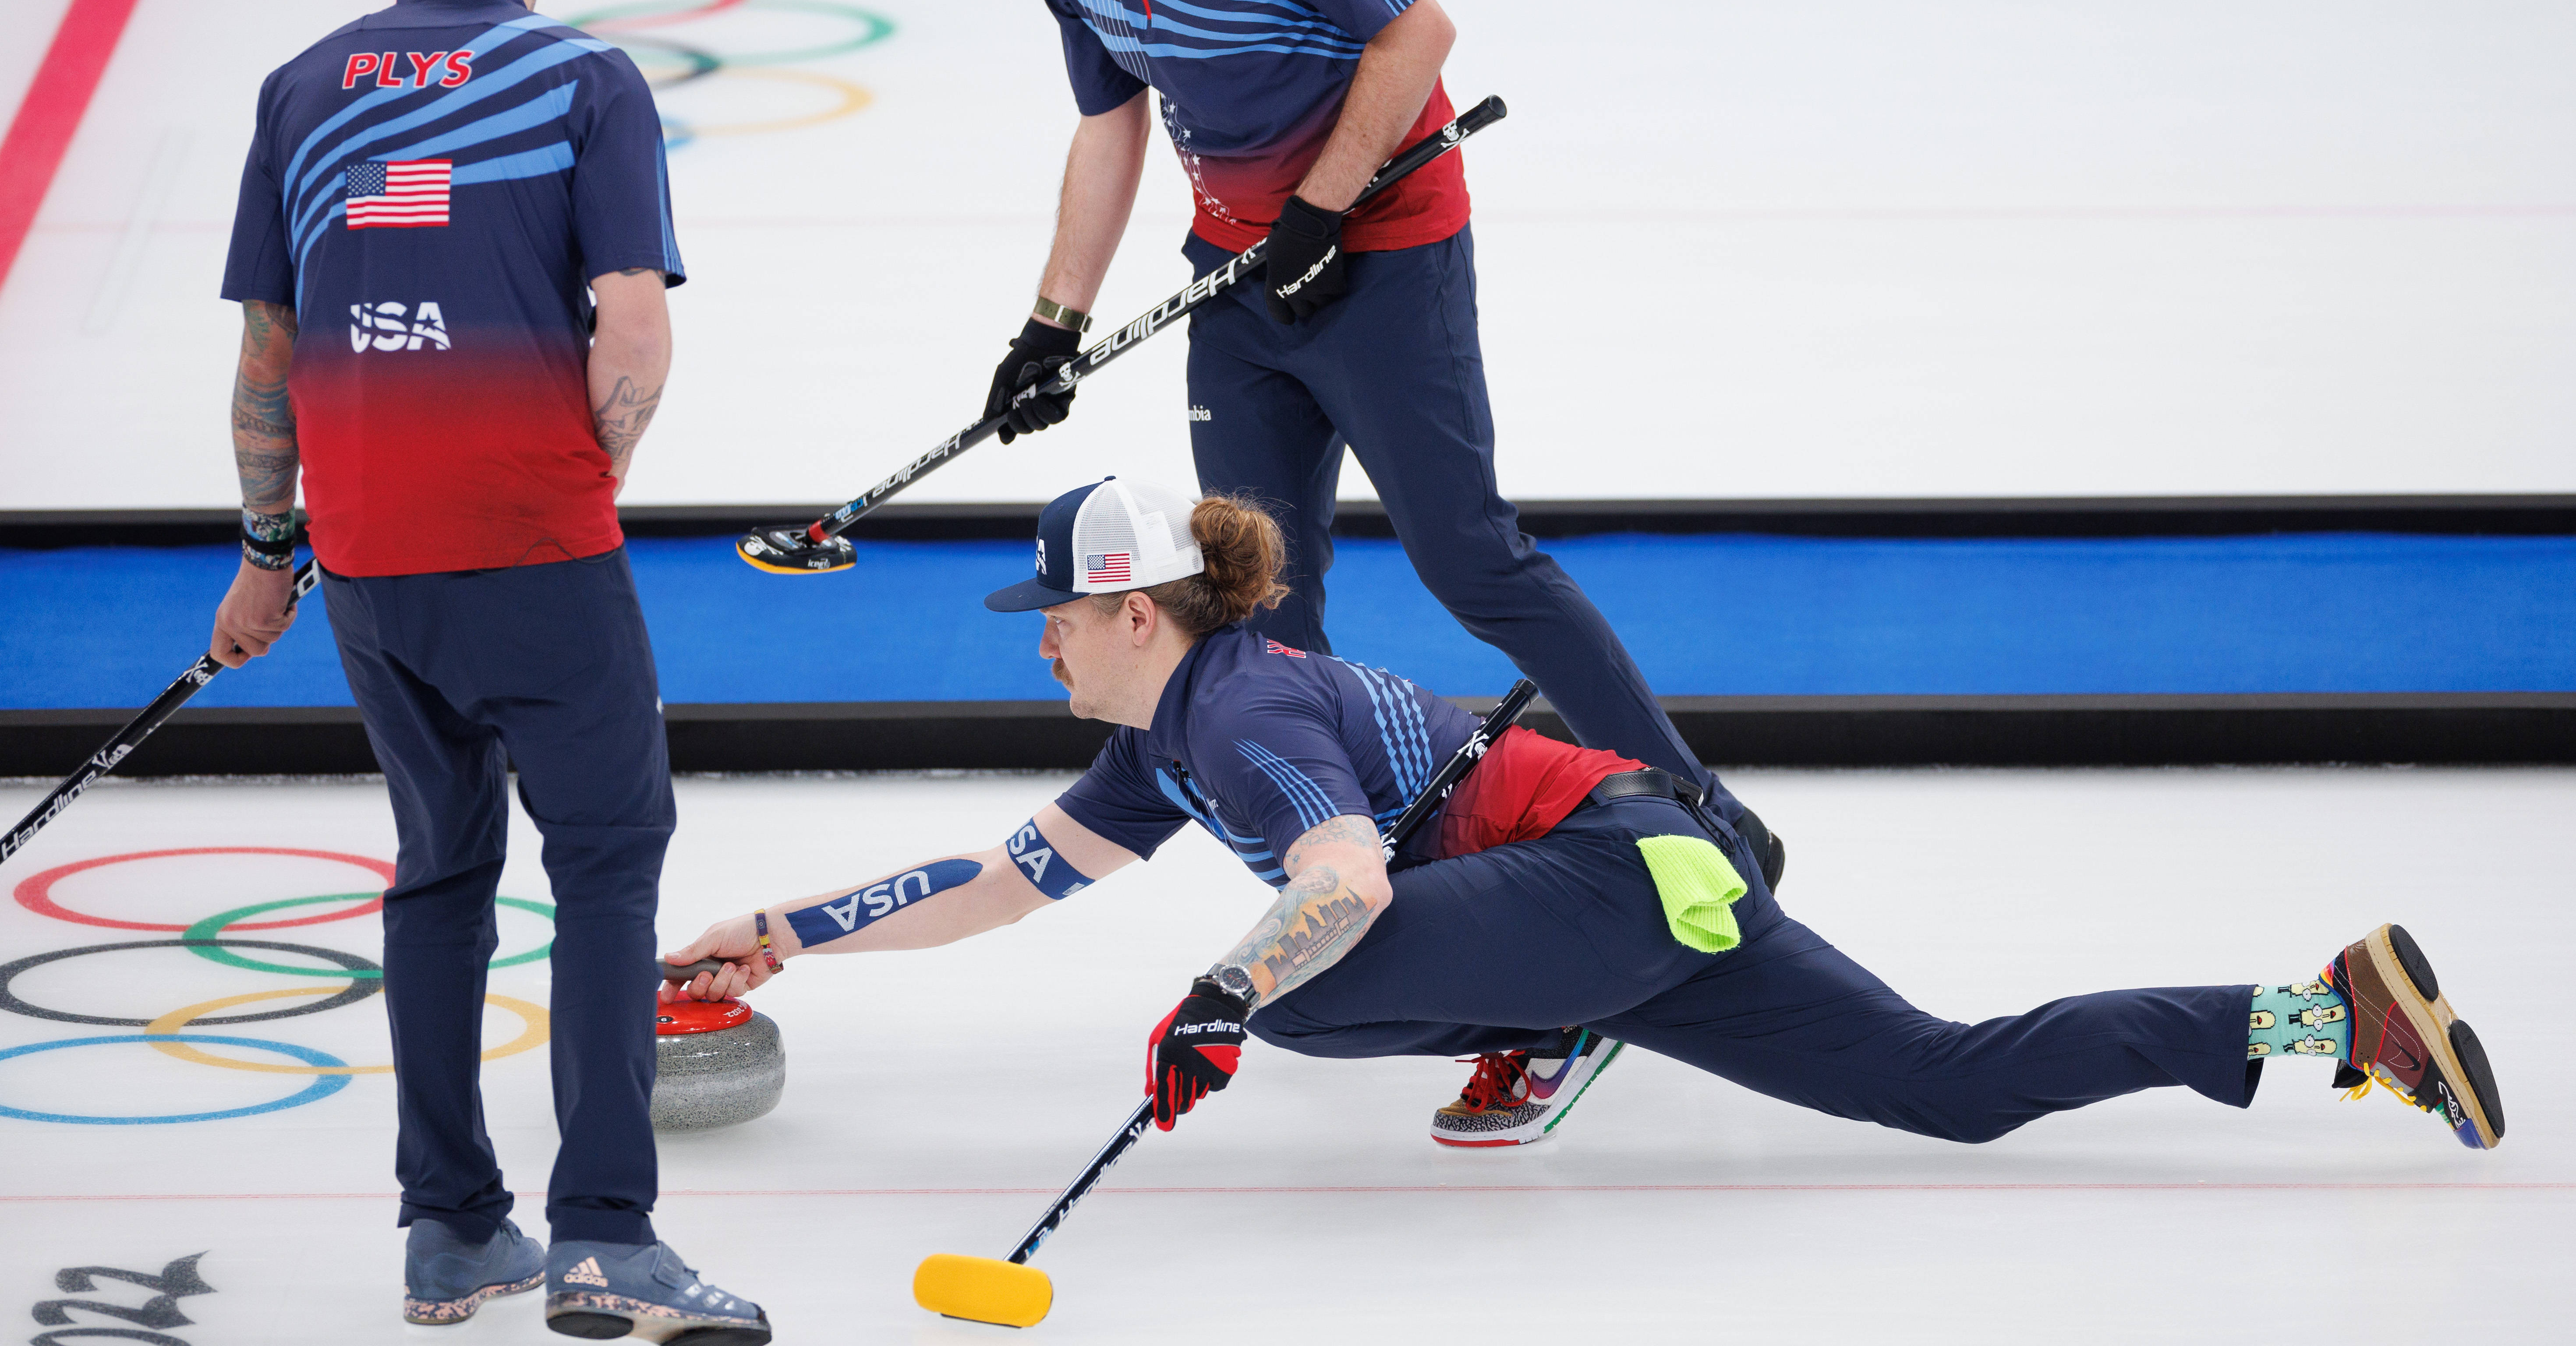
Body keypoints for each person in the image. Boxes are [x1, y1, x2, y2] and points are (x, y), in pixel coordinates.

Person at [662, 478, 2505, 1162]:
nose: (1042, 640)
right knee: (1952, 1083)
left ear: (1137, 611)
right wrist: (781, 928)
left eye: (1054, 612)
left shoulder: (1240, 706)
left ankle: (1559, 1015)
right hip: (1640, 886)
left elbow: (1345, 876)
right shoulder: (1164, 735)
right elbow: (1004, 883)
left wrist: (1224, 994)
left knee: (1303, 993)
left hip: (1616, 871)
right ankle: (2322, 1010)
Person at [920, 0, 1787, 891]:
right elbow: (1110, 120)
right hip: (1236, 279)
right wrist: (1052, 326)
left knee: (1469, 559)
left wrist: (1325, 210)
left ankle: (1708, 819)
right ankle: (1344, 879)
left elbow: (1417, 29)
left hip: (1384, 257)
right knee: (1258, 597)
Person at [208, 0, 767, 1341]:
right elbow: (634, 335)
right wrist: (581, 478)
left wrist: (272, 551)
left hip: (369, 558)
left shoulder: (303, 85)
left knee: (441, 869)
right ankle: (605, 1239)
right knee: (603, 863)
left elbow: (267, 355)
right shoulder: (586, 80)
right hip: (532, 543)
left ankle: (452, 1229)